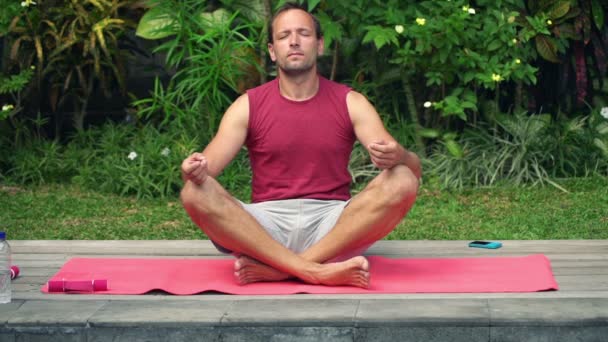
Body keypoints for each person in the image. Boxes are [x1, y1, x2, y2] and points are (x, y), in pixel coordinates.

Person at [180, 2, 421, 289]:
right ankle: (316, 271)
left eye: (303, 34)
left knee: (403, 178)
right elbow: (202, 173)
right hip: (266, 225)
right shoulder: (248, 105)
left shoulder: (350, 102)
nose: (294, 41)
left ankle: (281, 269)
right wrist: (192, 169)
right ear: (272, 51)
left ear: (319, 45)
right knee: (194, 193)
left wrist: (400, 155)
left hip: (332, 224)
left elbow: (413, 173)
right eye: (284, 36)